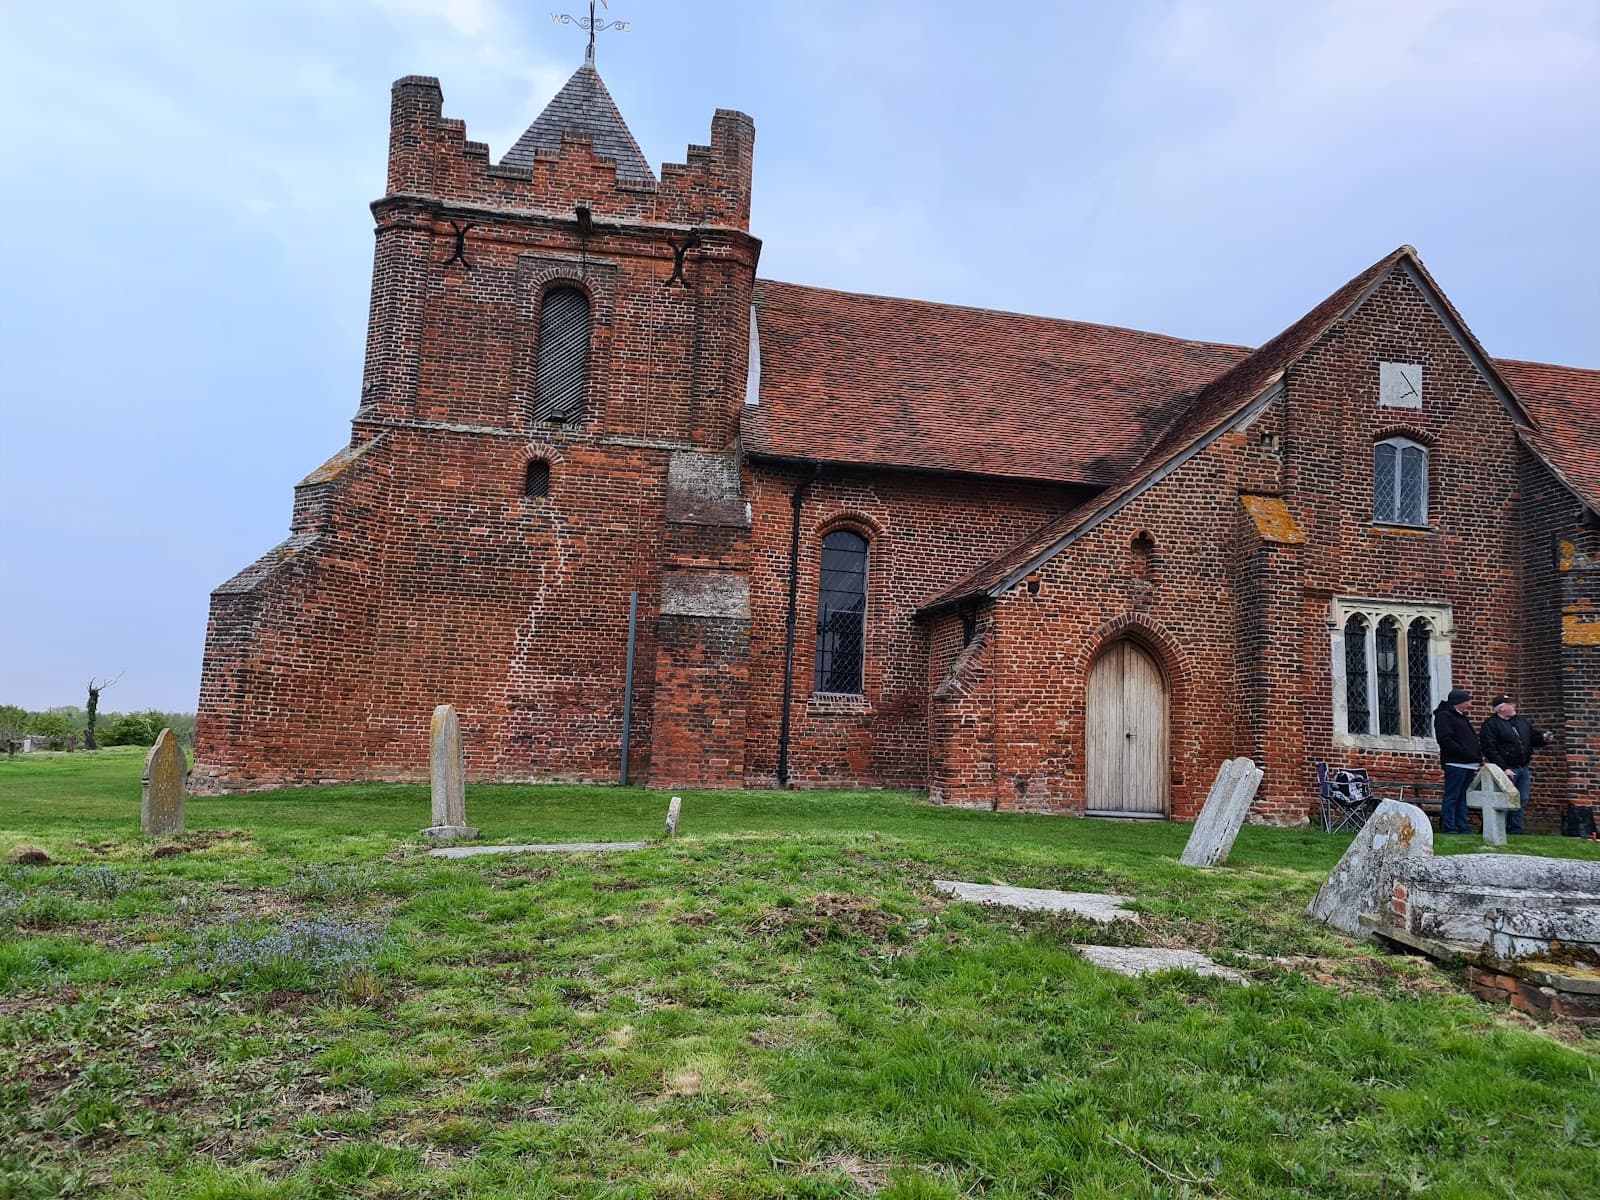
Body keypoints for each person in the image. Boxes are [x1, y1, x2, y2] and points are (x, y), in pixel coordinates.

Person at [1480, 694, 1551, 835]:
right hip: (1506, 769)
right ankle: (1501, 829)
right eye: (1510, 704)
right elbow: (1490, 749)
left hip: (1522, 767)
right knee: (1505, 800)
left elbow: (1532, 738)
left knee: (1522, 799)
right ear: (1501, 708)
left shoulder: (1521, 721)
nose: (1514, 706)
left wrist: (1543, 738)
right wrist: (1504, 768)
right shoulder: (1491, 725)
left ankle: (1516, 830)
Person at [1432, 688, 1479, 834]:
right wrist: (1464, 751)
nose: (1469, 704)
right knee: (1452, 796)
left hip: (1468, 763)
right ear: (1458, 702)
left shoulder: (1461, 717)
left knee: (1461, 797)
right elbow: (1445, 739)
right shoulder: (1444, 716)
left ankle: (1462, 826)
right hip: (1455, 762)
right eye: (1466, 701)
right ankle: (1450, 826)